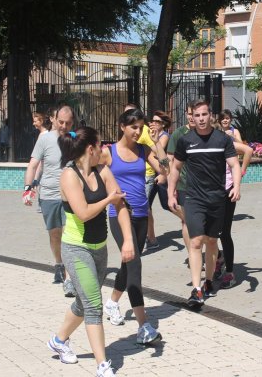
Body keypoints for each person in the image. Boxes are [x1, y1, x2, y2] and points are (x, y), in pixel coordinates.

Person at [47, 127, 133, 377]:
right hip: (76, 248)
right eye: (101, 145)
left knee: (84, 302)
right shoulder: (69, 176)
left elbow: (122, 203)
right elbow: (83, 213)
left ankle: (59, 340)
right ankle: (103, 365)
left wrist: (127, 240)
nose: (105, 150)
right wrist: (109, 200)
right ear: (91, 148)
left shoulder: (103, 171)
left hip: (99, 248)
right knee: (94, 305)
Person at [99, 107, 165, 343]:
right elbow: (90, 174)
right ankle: (143, 326)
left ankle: (112, 302)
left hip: (141, 214)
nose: (138, 131)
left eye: (141, 127)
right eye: (133, 127)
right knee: (134, 265)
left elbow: (163, 170)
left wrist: (157, 146)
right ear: (122, 127)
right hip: (119, 214)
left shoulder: (144, 150)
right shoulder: (109, 153)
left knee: (128, 264)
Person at [167, 99, 241, 306]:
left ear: (211, 116)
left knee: (211, 241)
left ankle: (209, 281)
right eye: (196, 115)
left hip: (217, 198)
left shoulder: (222, 139)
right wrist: (171, 193)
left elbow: (234, 164)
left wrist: (236, 186)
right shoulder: (186, 140)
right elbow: (175, 168)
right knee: (196, 241)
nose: (200, 119)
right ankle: (196, 288)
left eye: (204, 115)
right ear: (192, 117)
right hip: (193, 198)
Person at [23, 105, 76, 296]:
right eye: (61, 122)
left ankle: (70, 279)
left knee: (70, 235)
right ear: (54, 120)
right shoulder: (44, 139)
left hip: (71, 196)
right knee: (55, 234)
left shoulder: (74, 138)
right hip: (49, 195)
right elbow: (33, 165)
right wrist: (28, 188)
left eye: (68, 123)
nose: (63, 126)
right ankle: (59, 264)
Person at [214, 115, 252, 289]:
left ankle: (229, 272)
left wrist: (241, 174)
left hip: (227, 190)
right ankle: (218, 259)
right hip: (208, 192)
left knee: (224, 232)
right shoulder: (200, 142)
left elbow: (248, 150)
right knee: (208, 234)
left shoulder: (226, 141)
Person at [166, 103, 196, 263]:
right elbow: (170, 160)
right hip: (183, 185)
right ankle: (192, 255)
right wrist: (172, 184)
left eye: (195, 114)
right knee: (185, 220)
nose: (192, 117)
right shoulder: (178, 134)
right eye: (190, 114)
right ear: (186, 114)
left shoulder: (205, 133)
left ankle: (209, 253)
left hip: (202, 186)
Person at [137, 111, 171, 251]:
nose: (153, 123)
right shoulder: (147, 133)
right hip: (151, 173)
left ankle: (186, 219)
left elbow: (158, 153)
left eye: (157, 122)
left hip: (158, 173)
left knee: (166, 205)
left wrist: (151, 142)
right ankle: (150, 237)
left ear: (163, 124)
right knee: (146, 207)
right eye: (153, 121)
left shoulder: (163, 136)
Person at [33, 112, 53, 214]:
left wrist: (36, 172)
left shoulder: (44, 135)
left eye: (35, 121)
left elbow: (40, 155)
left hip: (44, 165)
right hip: (43, 165)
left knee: (40, 185)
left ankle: (43, 205)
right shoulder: (44, 134)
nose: (34, 123)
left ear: (41, 122)